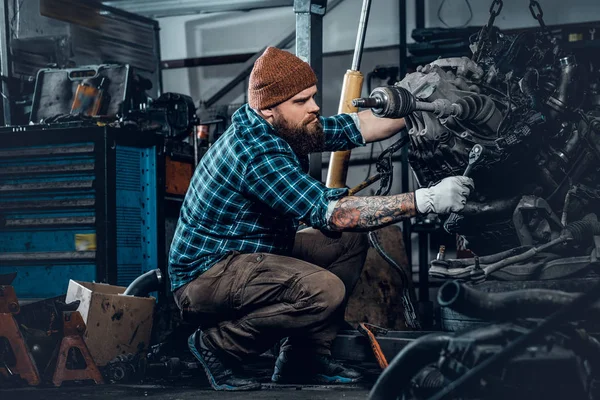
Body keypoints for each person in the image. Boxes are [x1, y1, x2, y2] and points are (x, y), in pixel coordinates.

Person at [169, 47, 473, 391]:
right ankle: (218, 346)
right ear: (269, 109)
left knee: (348, 243)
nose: (314, 106)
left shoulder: (284, 126)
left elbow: (359, 125)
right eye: (301, 101)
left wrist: (421, 104)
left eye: (312, 97)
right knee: (323, 289)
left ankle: (304, 358)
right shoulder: (255, 150)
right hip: (205, 276)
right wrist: (428, 199)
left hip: (249, 254)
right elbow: (336, 214)